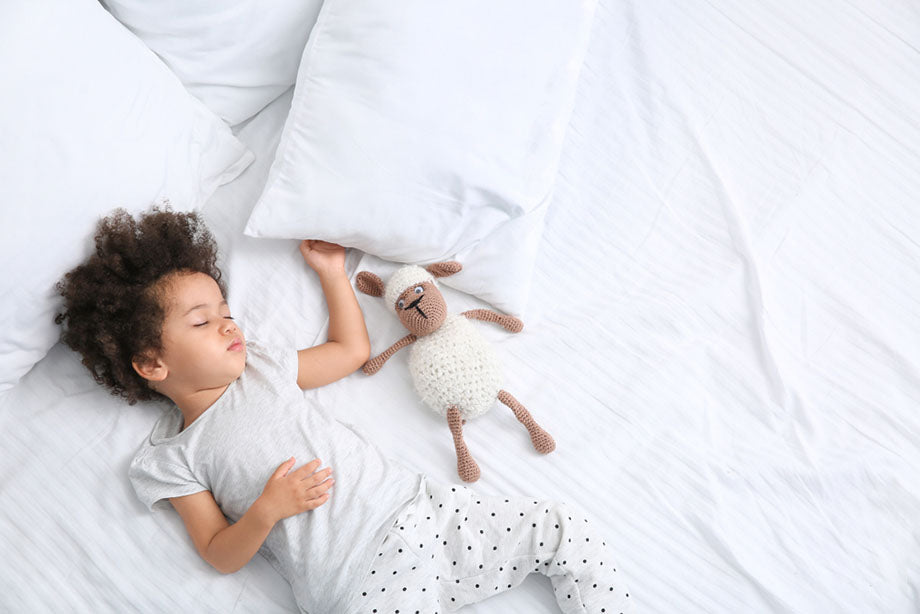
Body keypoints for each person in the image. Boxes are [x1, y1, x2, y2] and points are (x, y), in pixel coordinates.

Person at [55, 206, 633, 614]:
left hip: (424, 512)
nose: (228, 323)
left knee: (564, 527)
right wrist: (265, 511)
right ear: (152, 364)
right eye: (202, 322)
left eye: (225, 309)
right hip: (357, 579)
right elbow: (218, 555)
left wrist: (333, 274)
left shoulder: (263, 366)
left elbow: (351, 351)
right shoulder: (172, 457)